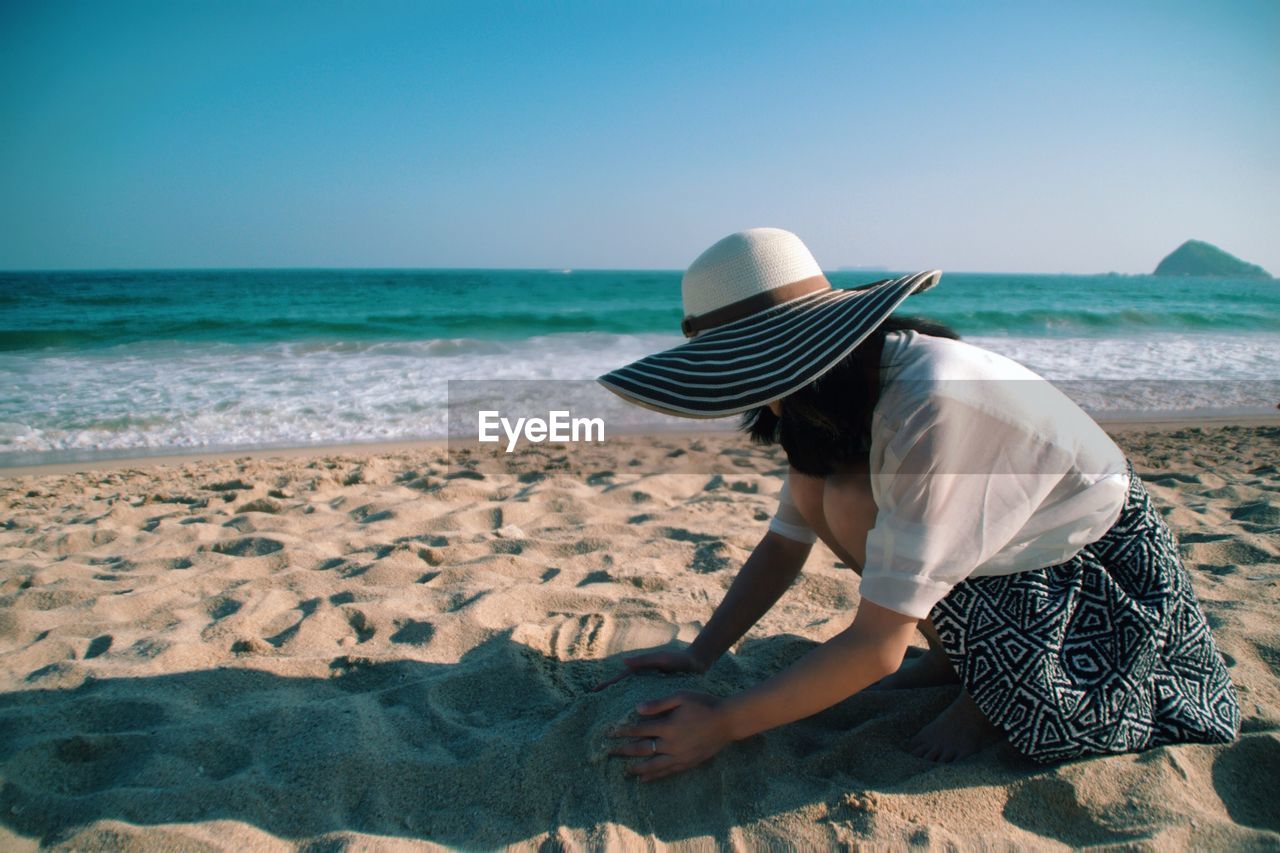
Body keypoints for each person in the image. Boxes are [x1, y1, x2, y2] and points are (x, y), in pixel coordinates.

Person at [590, 227, 1239, 783]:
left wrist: (725, 723)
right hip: (1002, 546)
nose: (757, 396)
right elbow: (784, 544)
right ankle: (954, 658)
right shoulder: (834, 394)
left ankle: (992, 692)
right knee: (826, 492)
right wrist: (703, 652)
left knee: (849, 500)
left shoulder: (929, 402)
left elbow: (875, 647)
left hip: (1084, 567)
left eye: (753, 371)